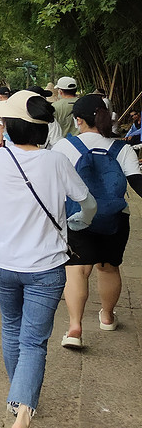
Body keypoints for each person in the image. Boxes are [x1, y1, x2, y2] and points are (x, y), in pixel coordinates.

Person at [0, 90, 96, 428]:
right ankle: (22, 414)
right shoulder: (57, 162)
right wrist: (77, 221)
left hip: (4, 264)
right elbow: (88, 203)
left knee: (11, 327)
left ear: (10, 127)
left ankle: (18, 395)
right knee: (34, 341)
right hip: (47, 267)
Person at [52, 93, 142, 349]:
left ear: (78, 119)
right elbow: (137, 183)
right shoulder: (122, 148)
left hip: (77, 218)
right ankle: (107, 316)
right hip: (115, 219)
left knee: (77, 271)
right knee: (109, 268)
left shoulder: (64, 147)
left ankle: (74, 328)